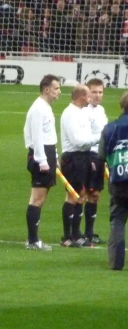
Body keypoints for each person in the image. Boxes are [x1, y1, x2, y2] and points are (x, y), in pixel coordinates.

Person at [59, 85, 101, 247]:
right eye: (89, 95)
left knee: (82, 196)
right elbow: (78, 141)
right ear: (82, 97)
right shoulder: (69, 114)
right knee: (73, 195)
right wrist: (99, 138)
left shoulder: (82, 113)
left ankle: (76, 235)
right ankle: (67, 237)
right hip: (72, 158)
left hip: (83, 156)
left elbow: (86, 138)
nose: (91, 98)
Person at [24, 75, 61, 250]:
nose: (59, 92)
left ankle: (33, 239)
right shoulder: (39, 108)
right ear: (47, 89)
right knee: (37, 199)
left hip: (47, 153)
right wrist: (42, 160)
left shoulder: (44, 107)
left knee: (40, 198)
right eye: (56, 88)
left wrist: (55, 155)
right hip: (41, 155)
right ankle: (32, 241)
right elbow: (36, 136)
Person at [99, 91, 128, 270]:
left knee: (117, 220)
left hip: (118, 181)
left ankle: (116, 262)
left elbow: (101, 156)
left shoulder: (110, 128)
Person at [85, 78, 108, 244]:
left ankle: (89, 232)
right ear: (87, 92)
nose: (97, 95)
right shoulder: (84, 112)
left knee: (95, 195)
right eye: (94, 92)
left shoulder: (101, 110)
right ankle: (80, 233)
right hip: (88, 156)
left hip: (100, 157)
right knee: (86, 194)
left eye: (100, 92)